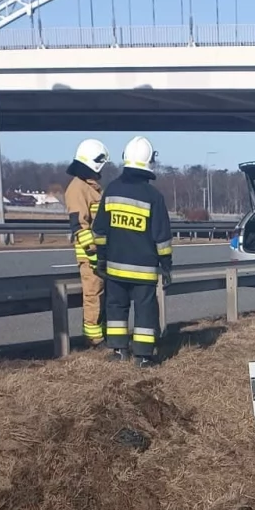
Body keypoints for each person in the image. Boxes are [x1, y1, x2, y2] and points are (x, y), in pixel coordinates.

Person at [91, 136, 173, 368]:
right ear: (149, 162)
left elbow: (99, 230)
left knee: (115, 307)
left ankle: (118, 350)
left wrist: (102, 258)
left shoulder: (112, 190)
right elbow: (162, 237)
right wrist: (166, 265)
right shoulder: (153, 197)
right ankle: (144, 356)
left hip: (115, 266)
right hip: (144, 270)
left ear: (126, 158)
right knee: (145, 311)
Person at [63, 138, 109, 348]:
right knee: (93, 296)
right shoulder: (78, 189)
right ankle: (94, 339)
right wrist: (93, 254)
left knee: (102, 296)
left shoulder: (91, 188)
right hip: (90, 256)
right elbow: (80, 227)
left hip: (100, 254)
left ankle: (103, 333)